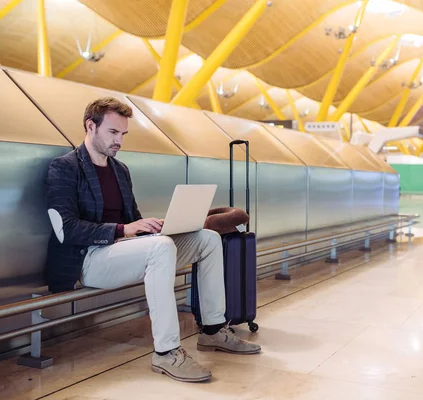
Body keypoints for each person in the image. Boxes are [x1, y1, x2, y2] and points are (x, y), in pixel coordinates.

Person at [44, 97, 261, 383]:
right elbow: (67, 230)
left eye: (123, 134)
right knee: (160, 248)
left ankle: (212, 331)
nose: (119, 140)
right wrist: (124, 230)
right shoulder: (64, 168)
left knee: (207, 239)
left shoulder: (120, 171)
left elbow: (132, 218)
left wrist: (153, 227)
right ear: (90, 126)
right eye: (113, 132)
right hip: (86, 260)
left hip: (122, 252)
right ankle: (166, 352)